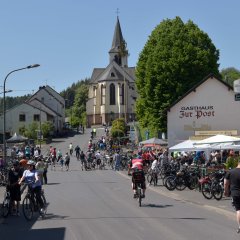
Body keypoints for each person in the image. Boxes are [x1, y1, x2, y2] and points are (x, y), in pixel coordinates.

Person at [224, 159, 240, 233]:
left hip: (235, 193)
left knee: (239, 210)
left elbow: (226, 184)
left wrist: (226, 192)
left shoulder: (230, 172)